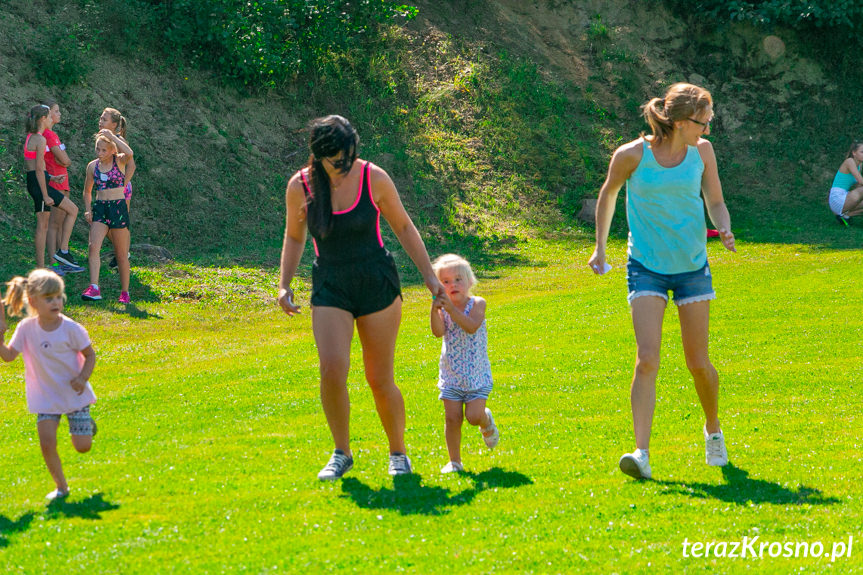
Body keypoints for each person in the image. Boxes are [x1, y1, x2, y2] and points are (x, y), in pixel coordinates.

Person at [277, 115, 445, 481]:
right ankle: (341, 452)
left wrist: (430, 278)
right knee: (332, 368)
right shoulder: (300, 186)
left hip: (376, 283)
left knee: (379, 378)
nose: (344, 166)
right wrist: (284, 284)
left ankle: (398, 453)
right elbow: (294, 237)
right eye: (337, 160)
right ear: (319, 156)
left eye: (349, 158)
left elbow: (402, 225)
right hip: (331, 284)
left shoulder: (374, 178)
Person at [588, 83, 736, 480]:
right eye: (702, 123)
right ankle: (641, 453)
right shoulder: (632, 155)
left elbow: (716, 200)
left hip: (691, 267)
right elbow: (608, 196)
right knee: (647, 358)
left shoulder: (702, 152)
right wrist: (600, 249)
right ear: (681, 121)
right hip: (645, 266)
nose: (706, 130)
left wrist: (723, 228)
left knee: (698, 363)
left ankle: (713, 429)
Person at [0, 269, 97, 500]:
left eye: (58, 297)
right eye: (49, 298)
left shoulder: (71, 328)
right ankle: (62, 487)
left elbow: (90, 355)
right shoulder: (26, 328)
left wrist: (82, 378)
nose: (56, 302)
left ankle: (86, 424)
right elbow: (8, 356)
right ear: (33, 301)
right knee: (46, 442)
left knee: (82, 446)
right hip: (45, 396)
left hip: (74, 394)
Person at [430, 254, 499, 474]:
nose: (453, 285)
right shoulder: (442, 309)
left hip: (476, 375)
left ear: (470, 281)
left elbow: (471, 326)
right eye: (446, 281)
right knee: (452, 418)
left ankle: (485, 420)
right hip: (451, 374)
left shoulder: (477, 303)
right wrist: (435, 309)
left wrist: (450, 309)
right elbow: (437, 332)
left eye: (458, 279)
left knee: (472, 417)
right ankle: (455, 462)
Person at [23, 105, 82, 271]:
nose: (51, 119)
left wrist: (52, 177)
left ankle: (48, 262)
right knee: (47, 223)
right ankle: (49, 261)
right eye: (49, 117)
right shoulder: (40, 140)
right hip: (39, 185)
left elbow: (32, 167)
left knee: (45, 223)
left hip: (35, 181)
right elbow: (39, 169)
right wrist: (45, 194)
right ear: (43, 119)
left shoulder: (31, 137)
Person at [81, 130, 134, 304]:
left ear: (112, 150)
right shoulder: (92, 166)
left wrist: (112, 137)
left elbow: (130, 153)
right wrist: (88, 209)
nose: (100, 153)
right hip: (100, 208)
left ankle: (125, 292)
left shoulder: (119, 160)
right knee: (93, 246)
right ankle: (94, 287)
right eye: (98, 149)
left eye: (104, 150)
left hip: (117, 208)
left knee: (121, 254)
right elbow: (87, 191)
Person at [42, 99, 83, 275]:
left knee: (59, 224)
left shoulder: (53, 134)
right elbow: (65, 160)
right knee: (54, 224)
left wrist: (63, 160)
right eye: (56, 111)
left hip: (62, 181)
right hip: (55, 181)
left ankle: (61, 260)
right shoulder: (48, 135)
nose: (59, 114)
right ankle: (54, 263)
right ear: (48, 114)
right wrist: (63, 160)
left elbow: (65, 160)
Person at [98, 108, 136, 269]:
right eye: (100, 118)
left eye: (104, 119)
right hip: (107, 189)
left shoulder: (119, 141)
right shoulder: (103, 139)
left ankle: (123, 254)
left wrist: (122, 185)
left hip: (121, 190)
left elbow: (131, 166)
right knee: (105, 224)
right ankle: (122, 252)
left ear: (114, 124)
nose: (100, 121)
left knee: (119, 225)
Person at [827, 140, 863, 226]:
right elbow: (861, 181)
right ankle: (843, 214)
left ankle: (845, 216)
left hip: (845, 197)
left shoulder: (859, 166)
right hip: (837, 198)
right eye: (862, 152)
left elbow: (858, 185)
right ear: (854, 153)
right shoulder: (849, 161)